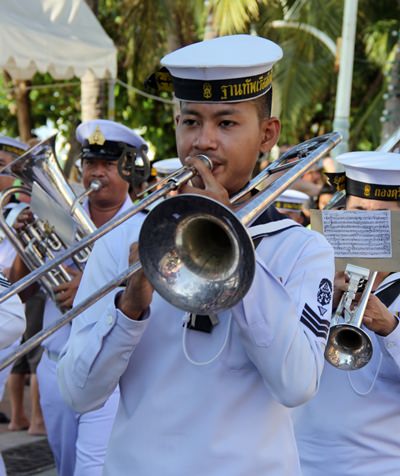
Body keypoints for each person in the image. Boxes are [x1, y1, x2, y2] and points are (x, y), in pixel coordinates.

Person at [58, 34, 335, 475]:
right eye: (190, 122)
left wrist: (235, 249)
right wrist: (129, 307)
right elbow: (78, 393)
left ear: (267, 134)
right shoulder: (123, 239)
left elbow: (297, 383)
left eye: (226, 123)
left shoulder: (301, 248)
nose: (202, 141)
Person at [10, 119, 148, 476]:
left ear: (128, 169)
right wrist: (25, 248)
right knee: (65, 466)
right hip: (56, 364)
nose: (96, 173)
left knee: (93, 468)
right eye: (90, 164)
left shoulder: (144, 225)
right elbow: (18, 294)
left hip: (113, 372)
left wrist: (90, 285)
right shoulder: (57, 217)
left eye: (108, 164)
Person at [293, 151, 400, 476]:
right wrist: (322, 303)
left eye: (382, 214)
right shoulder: (311, 275)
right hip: (300, 461)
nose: (368, 224)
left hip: (380, 466)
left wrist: (391, 328)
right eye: (358, 212)